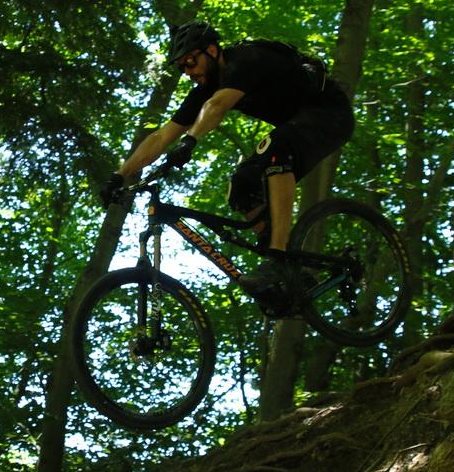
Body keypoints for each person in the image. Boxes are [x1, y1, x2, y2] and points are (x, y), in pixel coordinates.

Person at [102, 21, 355, 293]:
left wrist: (191, 140)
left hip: (331, 114)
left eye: (190, 61)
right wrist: (120, 175)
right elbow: (161, 137)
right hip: (298, 126)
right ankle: (294, 270)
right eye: (181, 67)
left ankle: (278, 257)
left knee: (275, 148)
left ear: (211, 50)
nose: (187, 71)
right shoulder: (205, 89)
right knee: (242, 185)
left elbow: (218, 105)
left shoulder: (245, 60)